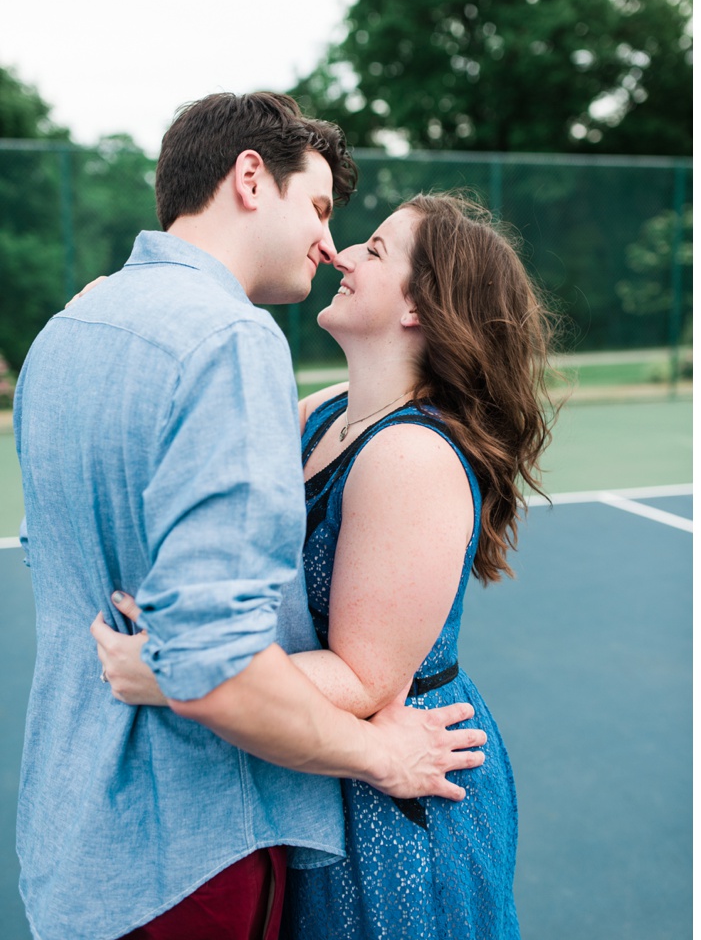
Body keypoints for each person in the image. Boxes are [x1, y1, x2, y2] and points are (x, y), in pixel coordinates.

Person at [14, 92, 487, 940]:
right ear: (248, 178)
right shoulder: (231, 340)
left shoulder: (64, 332)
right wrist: (384, 752)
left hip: (74, 826)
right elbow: (214, 664)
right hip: (194, 835)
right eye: (318, 206)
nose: (330, 242)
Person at [96, 192, 553, 938]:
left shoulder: (410, 454)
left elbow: (365, 677)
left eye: (374, 250)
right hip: (330, 766)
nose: (341, 253)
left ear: (419, 306)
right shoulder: (325, 412)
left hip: (398, 798)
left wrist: (179, 671)